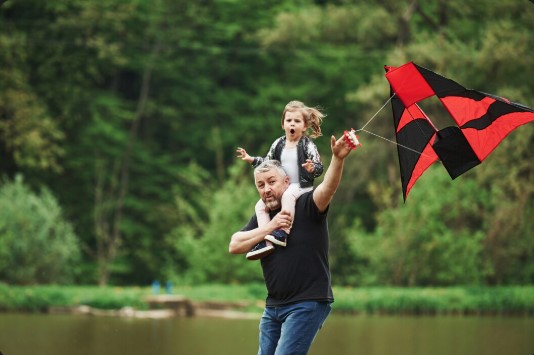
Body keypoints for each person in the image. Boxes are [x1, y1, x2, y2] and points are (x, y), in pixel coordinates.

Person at [229, 133, 356, 355]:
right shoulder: (263, 218)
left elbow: (328, 188)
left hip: (307, 302)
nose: (266, 189)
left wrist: (338, 159)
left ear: (286, 182)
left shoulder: (306, 205)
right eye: (260, 185)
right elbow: (234, 245)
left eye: (271, 182)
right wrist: (269, 227)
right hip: (273, 307)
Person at [236, 100, 325, 260]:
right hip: (284, 186)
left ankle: (283, 232)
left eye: (297, 121)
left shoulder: (307, 145)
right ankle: (266, 240)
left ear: (304, 126)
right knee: (260, 205)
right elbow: (267, 163)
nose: (292, 124)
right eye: (289, 120)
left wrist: (312, 169)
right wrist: (251, 159)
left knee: (287, 196)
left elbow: (319, 166)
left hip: (301, 185)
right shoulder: (278, 144)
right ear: (283, 124)